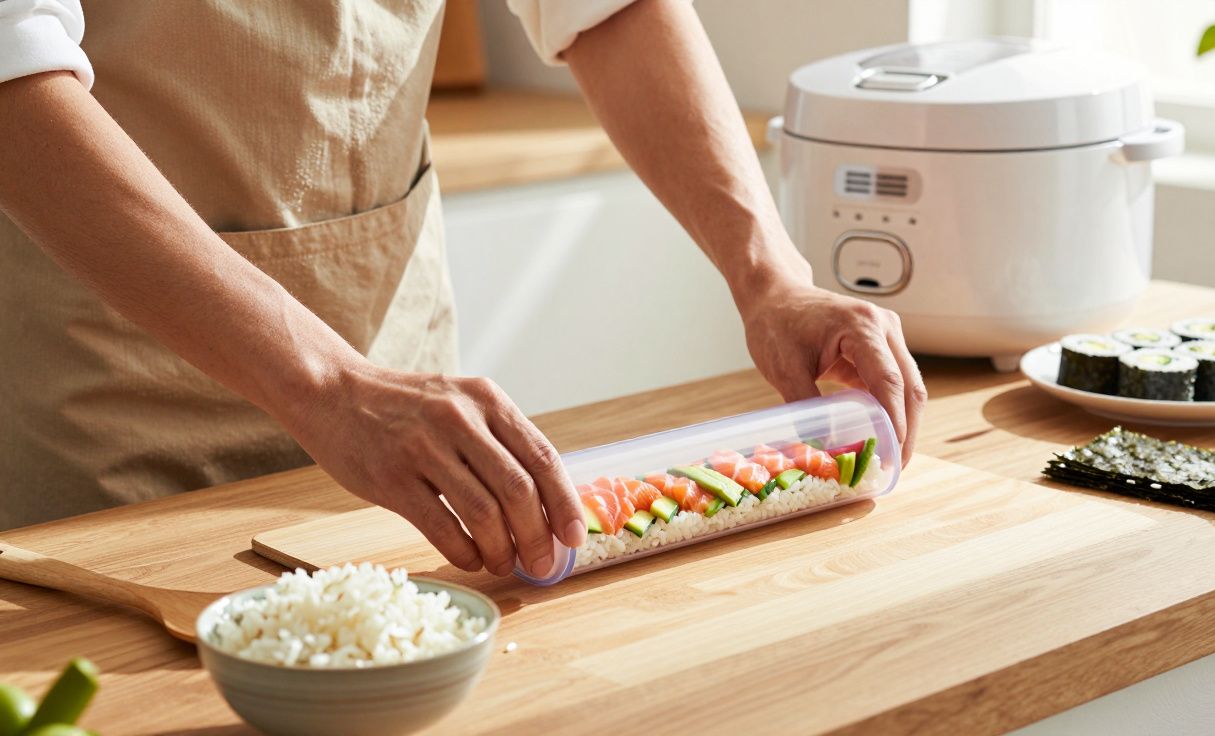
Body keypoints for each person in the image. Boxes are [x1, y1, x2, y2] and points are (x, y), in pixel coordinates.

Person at [0, 0, 925, 577]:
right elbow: (13, 72)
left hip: (401, 415)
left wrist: (772, 277)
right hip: (112, 400)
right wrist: (323, 385)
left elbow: (604, 6)